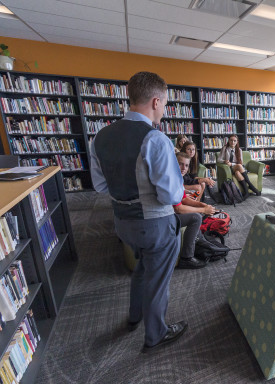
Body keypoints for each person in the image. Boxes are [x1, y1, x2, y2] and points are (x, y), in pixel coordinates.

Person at [90, 71, 187, 353]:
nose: (165, 110)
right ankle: (156, 334)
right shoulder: (155, 139)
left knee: (143, 268)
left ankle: (134, 317)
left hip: (122, 223)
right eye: (166, 104)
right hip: (154, 224)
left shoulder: (101, 136)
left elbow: (98, 185)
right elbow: (170, 195)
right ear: (155, 102)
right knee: (157, 279)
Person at [174, 153, 221, 269]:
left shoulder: (178, 178)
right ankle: (187, 257)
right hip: (165, 217)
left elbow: (184, 199)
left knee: (199, 212)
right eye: (180, 164)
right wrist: (202, 209)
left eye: (186, 165)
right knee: (196, 217)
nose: (183, 168)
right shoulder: (173, 180)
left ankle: (197, 241)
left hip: (170, 212)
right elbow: (178, 208)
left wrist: (202, 205)